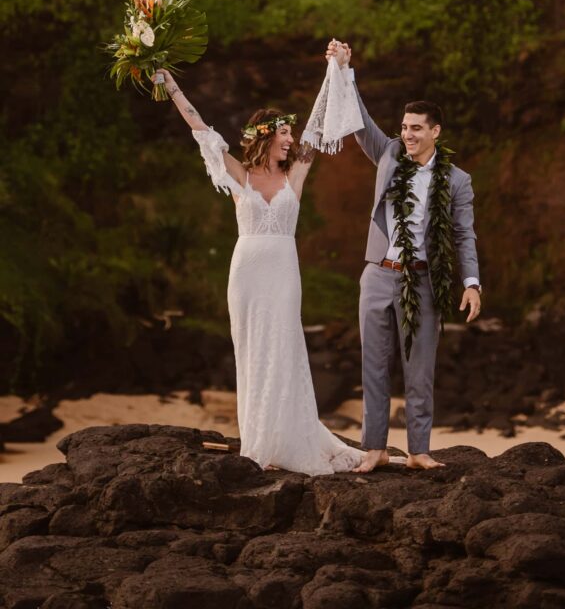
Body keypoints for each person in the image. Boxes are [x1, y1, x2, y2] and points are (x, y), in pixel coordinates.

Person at [153, 66, 362, 475]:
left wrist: (333, 69)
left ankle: (289, 438)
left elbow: (318, 128)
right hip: (246, 272)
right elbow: (198, 126)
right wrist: (170, 84)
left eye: (290, 134)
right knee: (251, 353)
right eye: (284, 134)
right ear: (266, 135)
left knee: (283, 348)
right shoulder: (240, 176)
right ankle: (259, 441)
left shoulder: (295, 174)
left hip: (283, 271)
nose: (291, 140)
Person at [325, 41, 482, 474]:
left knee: (419, 371)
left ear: (436, 132)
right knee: (372, 367)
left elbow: (464, 234)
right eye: (404, 126)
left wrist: (471, 284)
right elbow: (359, 124)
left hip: (424, 280)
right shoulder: (389, 153)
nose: (407, 133)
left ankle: (418, 450)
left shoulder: (457, 181)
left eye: (416, 128)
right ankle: (374, 448)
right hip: (378, 274)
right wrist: (345, 70)